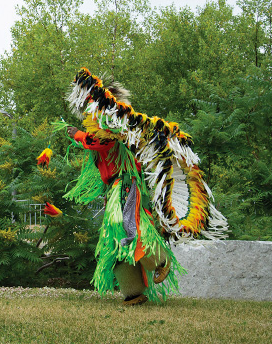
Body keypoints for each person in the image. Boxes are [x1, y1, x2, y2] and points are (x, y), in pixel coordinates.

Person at [61, 67, 227, 305]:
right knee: (114, 241)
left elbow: (97, 143)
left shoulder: (116, 129)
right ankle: (133, 291)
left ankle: (159, 262)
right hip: (115, 188)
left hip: (126, 183)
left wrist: (77, 135)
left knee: (127, 226)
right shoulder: (102, 128)